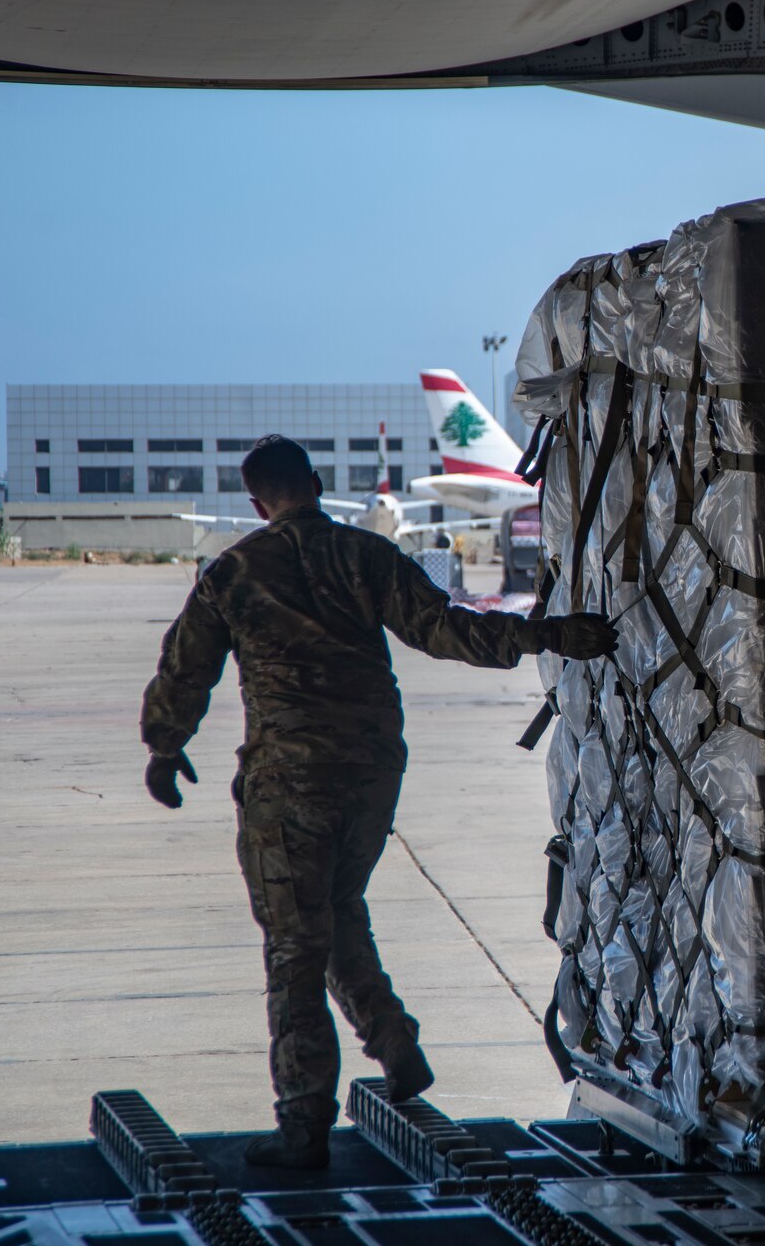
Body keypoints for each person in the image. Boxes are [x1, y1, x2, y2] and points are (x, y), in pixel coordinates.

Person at [140, 435, 616, 1169]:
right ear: (317, 483)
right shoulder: (366, 556)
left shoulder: (233, 571)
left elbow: (185, 666)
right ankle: (393, 1045)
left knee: (295, 948)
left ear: (257, 504)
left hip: (289, 782)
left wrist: (165, 747)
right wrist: (546, 634)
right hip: (369, 778)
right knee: (335, 912)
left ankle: (303, 1122)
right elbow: (446, 627)